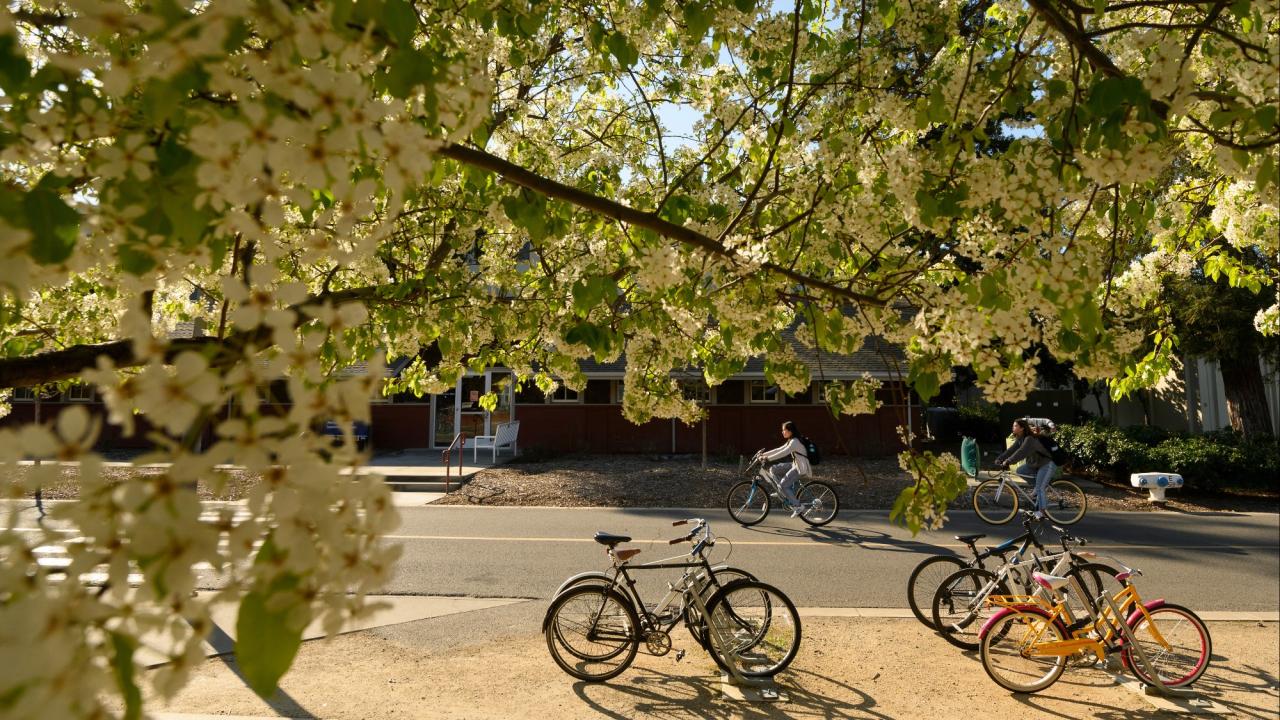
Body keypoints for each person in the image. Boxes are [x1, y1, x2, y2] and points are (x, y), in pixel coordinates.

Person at [993, 418, 1052, 518]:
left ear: (1022, 428)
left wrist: (1008, 461)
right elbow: (1011, 450)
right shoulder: (1020, 439)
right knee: (1020, 470)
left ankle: (1042, 512)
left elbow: (1021, 452)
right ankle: (1038, 488)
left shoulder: (1029, 439)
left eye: (1015, 426)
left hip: (1045, 463)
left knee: (1039, 488)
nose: (1013, 427)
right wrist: (999, 458)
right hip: (1034, 464)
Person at [758, 420, 812, 517]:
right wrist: (763, 454)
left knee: (783, 485)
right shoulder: (792, 440)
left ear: (790, 431)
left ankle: (798, 506)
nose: (782, 432)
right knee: (773, 469)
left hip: (801, 467)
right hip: (796, 464)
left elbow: (783, 453)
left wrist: (767, 458)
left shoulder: (794, 442)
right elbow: (779, 449)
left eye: (784, 430)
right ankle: (782, 492)